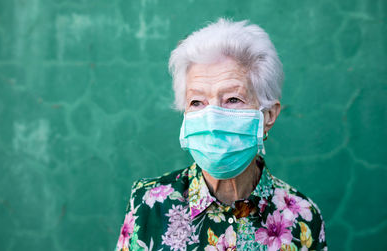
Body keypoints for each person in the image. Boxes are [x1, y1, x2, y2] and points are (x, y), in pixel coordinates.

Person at [115, 18, 327, 251]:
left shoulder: (302, 217)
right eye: (197, 102)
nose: (212, 119)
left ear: (268, 116)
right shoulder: (148, 204)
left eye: (233, 99)